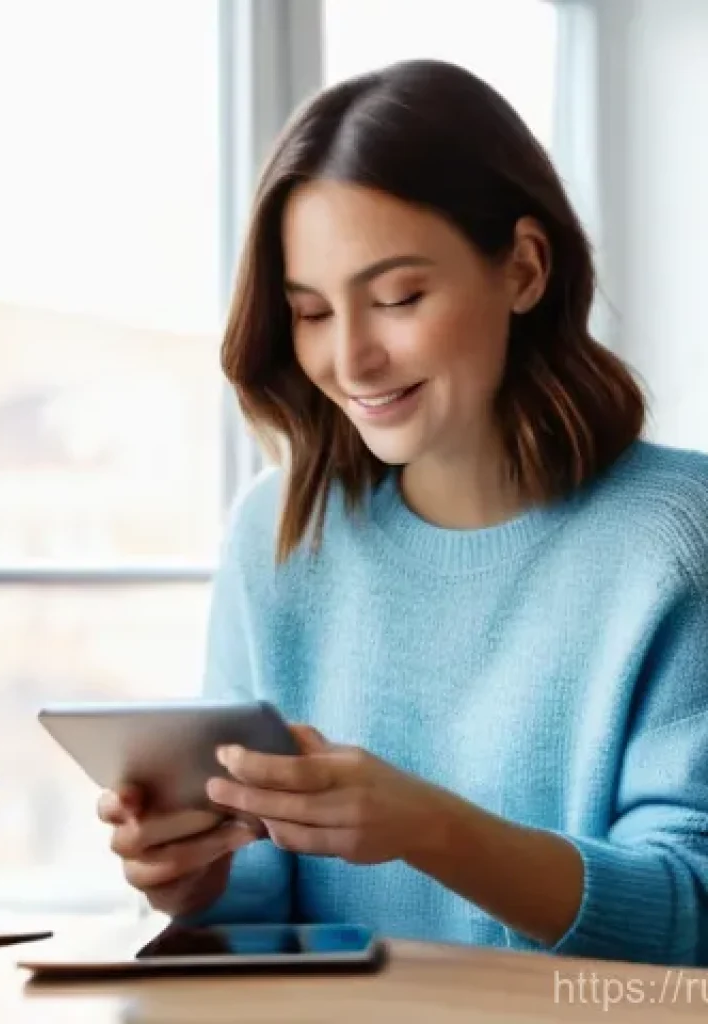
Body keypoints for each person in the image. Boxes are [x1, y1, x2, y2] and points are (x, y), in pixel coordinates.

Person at [97, 58, 708, 967]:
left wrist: (428, 827)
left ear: (525, 268)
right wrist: (193, 876)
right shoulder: (278, 534)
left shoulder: (677, 536)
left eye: (397, 299)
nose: (351, 360)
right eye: (311, 312)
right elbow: (263, 897)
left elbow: (689, 917)